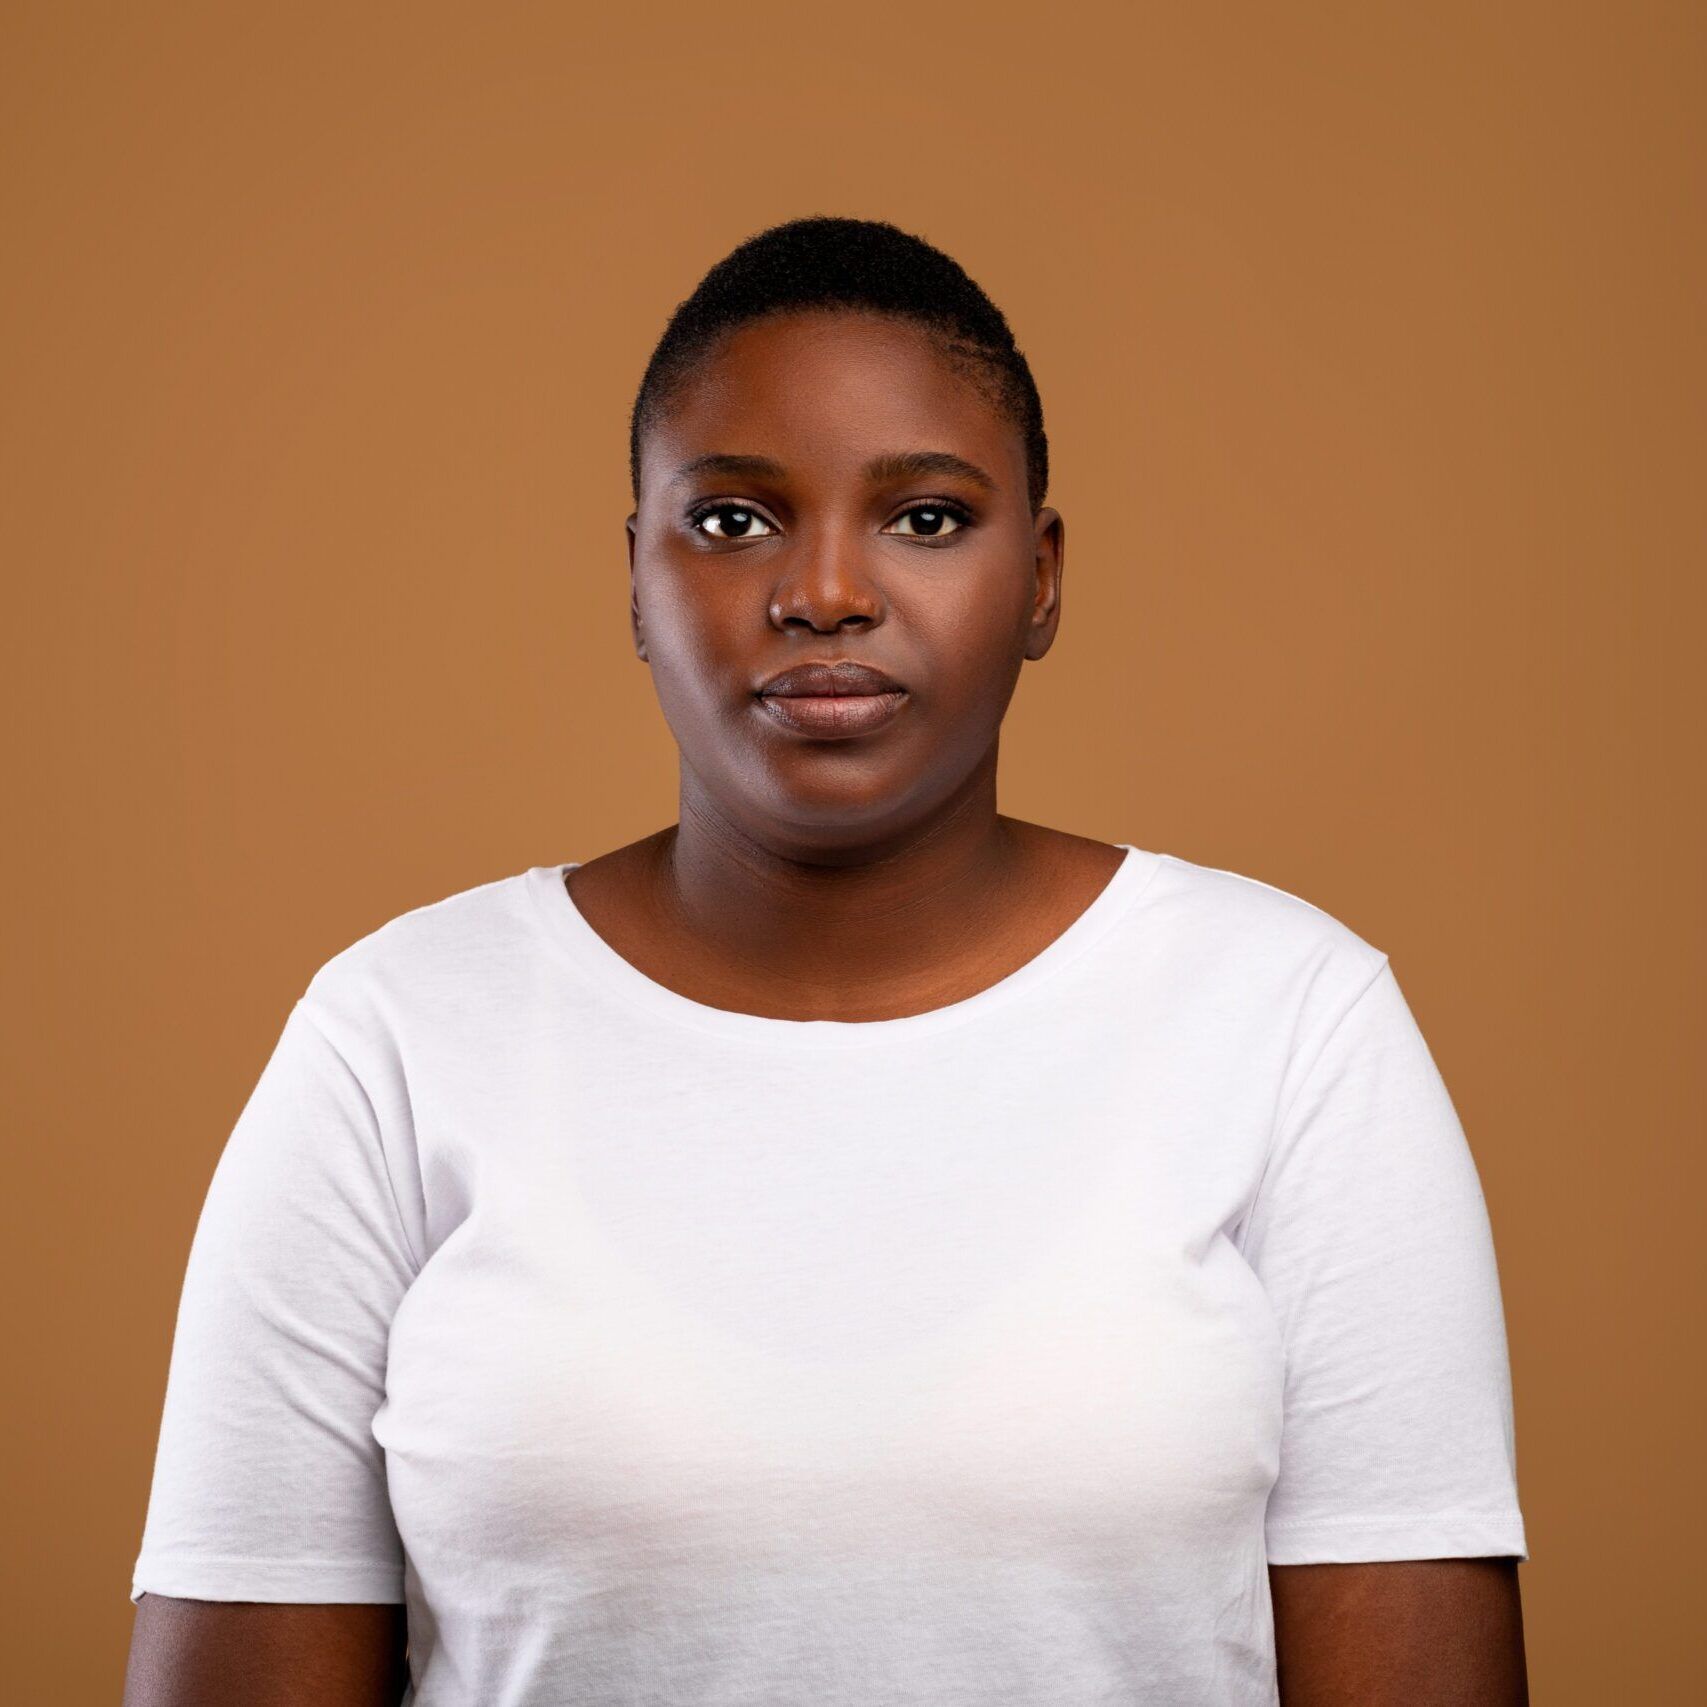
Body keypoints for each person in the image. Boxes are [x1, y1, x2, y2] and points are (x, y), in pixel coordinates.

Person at [124, 215, 1529, 1705]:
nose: (827, 594)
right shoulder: (394, 1040)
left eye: (926, 517)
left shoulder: (1291, 1023)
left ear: (1041, 578)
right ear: (636, 576)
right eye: (735, 521)